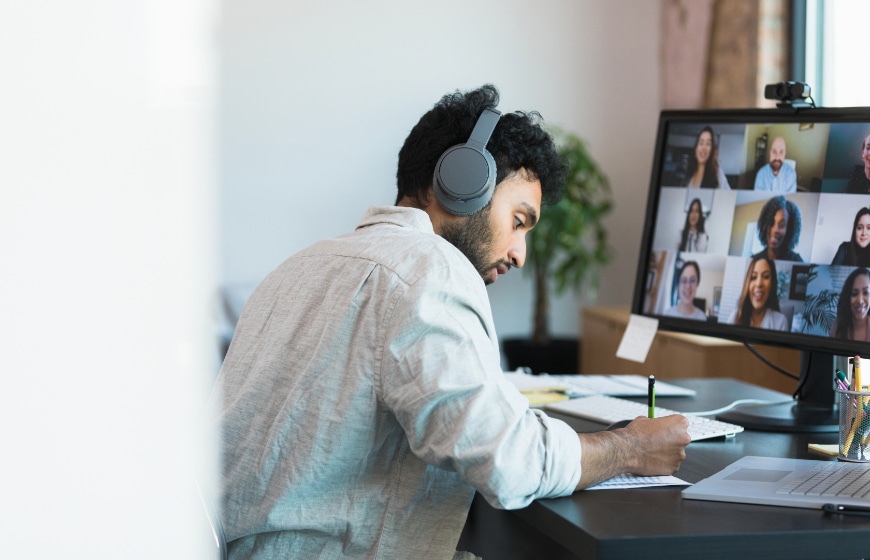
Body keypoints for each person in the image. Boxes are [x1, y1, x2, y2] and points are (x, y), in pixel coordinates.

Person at [210, 85, 690, 560]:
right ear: (461, 182)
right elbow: (508, 461)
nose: (520, 254)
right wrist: (628, 448)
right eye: (519, 220)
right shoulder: (429, 267)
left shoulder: (300, 265)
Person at [727, 256, 789, 330]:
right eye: (753, 277)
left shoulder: (781, 322)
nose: (759, 284)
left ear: (772, 283)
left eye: (766, 276)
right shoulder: (734, 318)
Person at [751, 195, 804, 262]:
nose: (775, 230)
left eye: (782, 225)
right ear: (764, 225)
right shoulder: (754, 260)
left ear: (789, 230)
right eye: (771, 222)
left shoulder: (796, 261)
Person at [830, 267, 870, 341]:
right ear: (847, 297)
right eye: (854, 294)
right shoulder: (837, 327)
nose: (860, 301)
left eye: (865, 293)